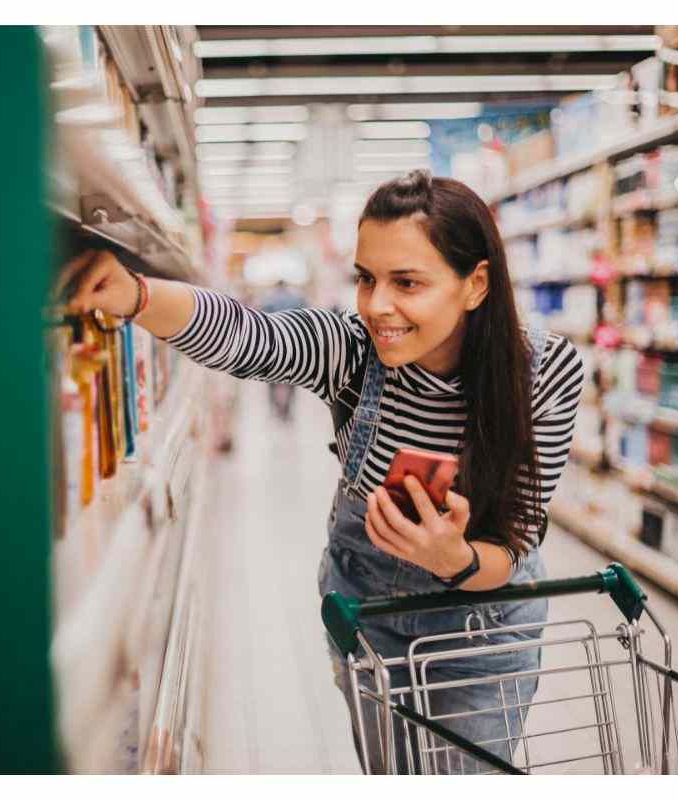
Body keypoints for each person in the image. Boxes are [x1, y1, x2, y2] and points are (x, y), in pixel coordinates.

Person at [66, 170, 584, 773]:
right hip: (367, 614)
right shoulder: (352, 349)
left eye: (407, 282)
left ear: (476, 284)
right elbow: (247, 335)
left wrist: (455, 560)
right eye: (367, 279)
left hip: (481, 626)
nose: (377, 306)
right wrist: (136, 295)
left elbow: (517, 535)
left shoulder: (542, 371)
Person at [258, 280, 308, 421]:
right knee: (293, 377)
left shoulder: (268, 299)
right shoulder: (297, 298)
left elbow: (260, 323)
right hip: (293, 345)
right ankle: (288, 409)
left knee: (270, 377)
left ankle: (274, 407)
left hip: (272, 346)